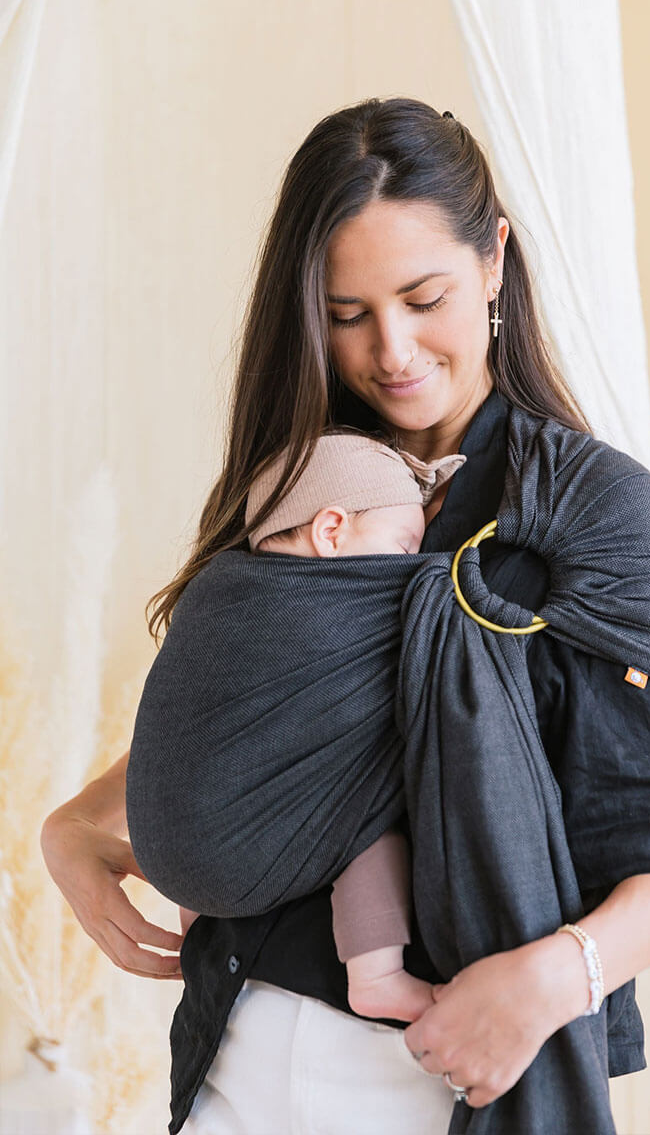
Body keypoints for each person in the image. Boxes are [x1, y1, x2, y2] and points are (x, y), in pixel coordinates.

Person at [40, 97, 650, 1135]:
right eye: (346, 313)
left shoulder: (585, 511)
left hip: (434, 1071)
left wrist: (553, 981)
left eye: (424, 298)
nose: (392, 352)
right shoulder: (305, 483)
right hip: (227, 1045)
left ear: (494, 258)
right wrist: (76, 829)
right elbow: (247, 724)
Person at [152, 427, 467, 1024]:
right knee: (367, 801)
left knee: (207, 775)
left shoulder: (217, 590)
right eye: (403, 547)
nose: (412, 563)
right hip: (237, 858)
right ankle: (377, 975)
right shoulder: (328, 609)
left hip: (168, 857)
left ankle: (198, 925)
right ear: (331, 531)